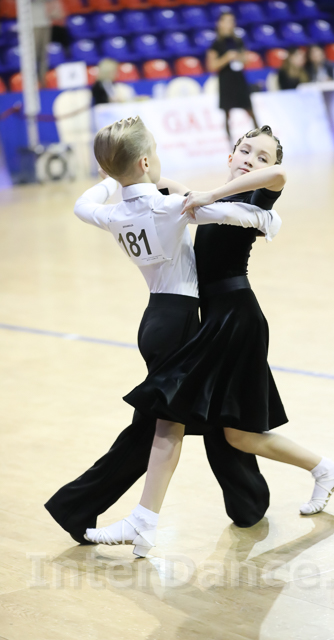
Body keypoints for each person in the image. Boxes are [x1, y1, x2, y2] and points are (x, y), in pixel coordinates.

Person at [85, 125, 334, 552]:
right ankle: (325, 468)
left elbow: (279, 176)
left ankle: (144, 520)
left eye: (262, 156)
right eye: (245, 150)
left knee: (176, 413)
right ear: (230, 156)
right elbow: (159, 186)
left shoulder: (258, 197)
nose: (252, 159)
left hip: (237, 319)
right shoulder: (210, 199)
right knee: (238, 435)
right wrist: (123, 173)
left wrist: (213, 194)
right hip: (217, 320)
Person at [45, 116, 283, 555]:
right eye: (153, 150)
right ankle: (99, 511)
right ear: (144, 160)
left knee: (206, 415)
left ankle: (247, 501)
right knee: (158, 429)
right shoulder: (169, 208)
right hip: (180, 323)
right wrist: (267, 220)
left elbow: (83, 204)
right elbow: (232, 214)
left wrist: (111, 177)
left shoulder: (113, 212)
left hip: (155, 319)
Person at [207, 11, 259, 142]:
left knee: (250, 111)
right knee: (227, 114)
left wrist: (239, 57)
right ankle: (230, 144)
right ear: (220, 23)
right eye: (227, 21)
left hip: (239, 78)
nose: (230, 24)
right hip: (226, 81)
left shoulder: (238, 41)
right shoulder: (216, 44)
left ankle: (260, 139)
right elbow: (212, 66)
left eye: (232, 21)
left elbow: (246, 59)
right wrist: (227, 58)